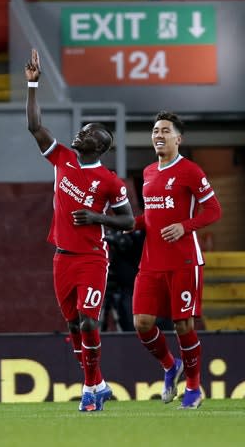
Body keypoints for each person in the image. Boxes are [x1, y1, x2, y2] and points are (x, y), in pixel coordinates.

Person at [25, 49, 135, 412]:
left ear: (99, 146)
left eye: (87, 133)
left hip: (91, 258)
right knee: (73, 324)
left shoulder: (109, 182)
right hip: (61, 258)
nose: (80, 133)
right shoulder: (63, 158)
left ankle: (89, 390)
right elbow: (34, 127)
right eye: (82, 130)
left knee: (89, 321)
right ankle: (98, 383)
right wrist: (32, 85)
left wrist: (97, 218)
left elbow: (129, 222)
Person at [132, 111, 221, 409]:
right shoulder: (147, 173)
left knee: (183, 324)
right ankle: (171, 367)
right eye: (155, 130)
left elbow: (213, 211)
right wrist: (128, 223)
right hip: (151, 261)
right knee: (142, 323)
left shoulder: (190, 171)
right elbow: (152, 216)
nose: (158, 135)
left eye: (165, 131)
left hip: (184, 261)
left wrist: (185, 225)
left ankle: (194, 387)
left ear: (178, 139)